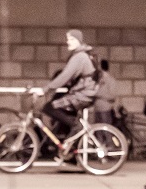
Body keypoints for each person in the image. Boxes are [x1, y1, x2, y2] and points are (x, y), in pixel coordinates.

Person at [30, 29, 99, 160]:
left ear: (79, 41)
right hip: (83, 93)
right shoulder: (80, 55)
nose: (68, 42)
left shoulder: (79, 57)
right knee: (64, 118)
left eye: (71, 39)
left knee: (49, 107)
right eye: (68, 39)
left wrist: (44, 90)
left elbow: (64, 76)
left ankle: (77, 128)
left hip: (83, 94)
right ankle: (70, 156)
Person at [92, 58, 118, 126]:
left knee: (105, 129)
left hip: (105, 110)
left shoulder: (110, 79)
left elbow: (112, 96)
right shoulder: (98, 80)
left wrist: (99, 94)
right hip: (97, 109)